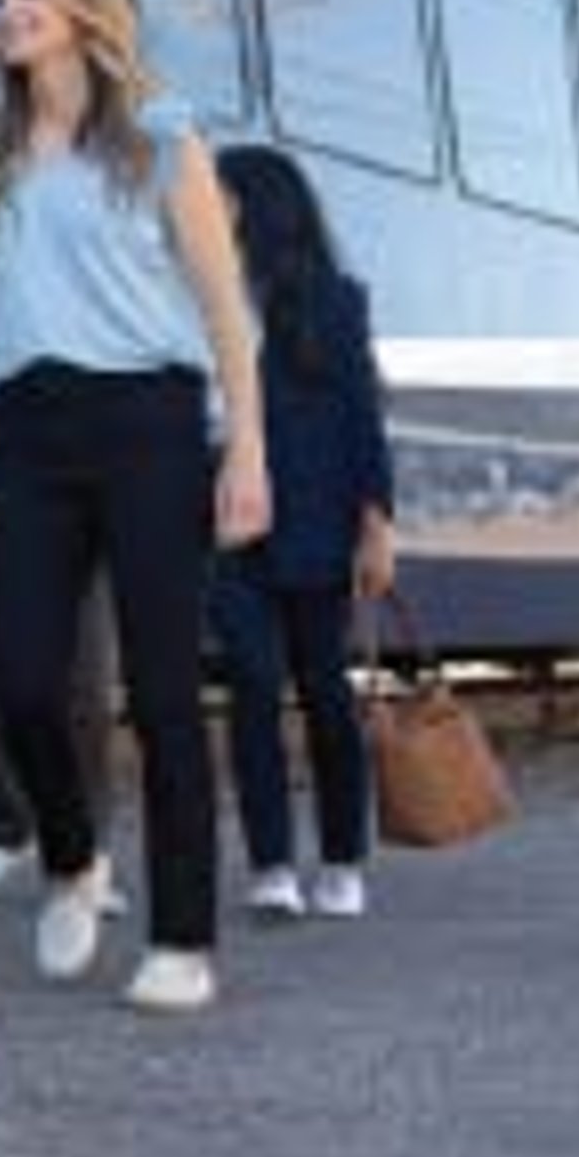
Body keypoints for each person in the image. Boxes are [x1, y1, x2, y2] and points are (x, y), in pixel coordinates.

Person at [0, 0, 270, 1013]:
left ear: (85, 15)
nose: (7, 9)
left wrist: (246, 450)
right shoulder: (1, 157)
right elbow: (1, 313)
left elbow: (226, 309)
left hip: (148, 422)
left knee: (158, 690)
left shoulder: (161, 141)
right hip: (30, 430)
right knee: (16, 679)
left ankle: (183, 938)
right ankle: (71, 858)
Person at [209, 143, 397, 921]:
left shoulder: (334, 299)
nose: (206, 205)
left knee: (324, 690)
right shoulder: (200, 293)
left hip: (316, 522)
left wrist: (377, 523)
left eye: (219, 194)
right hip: (225, 527)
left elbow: (363, 417)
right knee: (251, 689)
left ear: (260, 202)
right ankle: (272, 865)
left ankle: (344, 858)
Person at [0, 219, 127, 910]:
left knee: (85, 685)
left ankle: (89, 850)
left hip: (69, 492)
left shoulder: (86, 235)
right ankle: (0, 829)